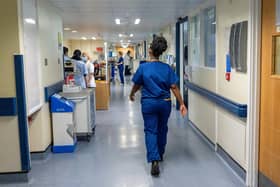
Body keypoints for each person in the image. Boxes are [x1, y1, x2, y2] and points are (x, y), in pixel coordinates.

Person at [129, 36, 187, 177]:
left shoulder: (143, 67)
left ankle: (154, 159)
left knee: (150, 130)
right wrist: (182, 103)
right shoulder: (166, 68)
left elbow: (137, 84)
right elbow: (174, 87)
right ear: (161, 52)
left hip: (148, 104)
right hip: (164, 103)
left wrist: (132, 93)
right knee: (162, 129)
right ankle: (160, 154)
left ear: (150, 50)